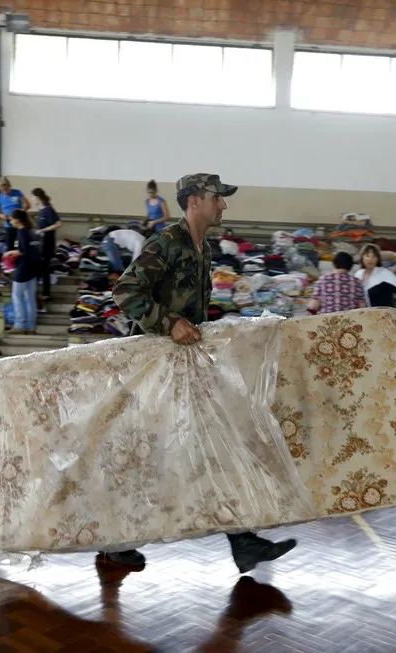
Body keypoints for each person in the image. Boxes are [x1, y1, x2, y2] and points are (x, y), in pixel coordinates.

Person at [111, 172, 297, 574]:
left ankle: (243, 541)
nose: (224, 204)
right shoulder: (165, 243)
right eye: (218, 197)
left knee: (215, 444)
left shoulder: (203, 249)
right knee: (150, 455)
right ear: (195, 200)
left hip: (185, 367)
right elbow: (126, 292)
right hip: (152, 368)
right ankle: (115, 541)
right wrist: (170, 323)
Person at [6, 210, 40, 335]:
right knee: (30, 298)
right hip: (33, 268)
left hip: (23, 268)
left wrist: (9, 253)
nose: (10, 221)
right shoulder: (32, 232)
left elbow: (23, 251)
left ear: (17, 220)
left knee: (17, 296)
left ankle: (20, 324)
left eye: (11, 219)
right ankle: (31, 326)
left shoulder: (21, 232)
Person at [354, 244, 396, 310]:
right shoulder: (358, 274)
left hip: (381, 315)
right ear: (362, 258)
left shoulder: (384, 273)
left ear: (378, 259)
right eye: (367, 256)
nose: (370, 259)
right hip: (363, 315)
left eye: (374, 256)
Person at [31, 188, 62, 301]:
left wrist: (43, 230)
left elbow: (58, 223)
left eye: (32, 197)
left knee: (44, 269)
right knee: (41, 269)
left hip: (47, 244)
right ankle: (42, 292)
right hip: (41, 243)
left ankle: (46, 293)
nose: (32, 199)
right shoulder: (41, 211)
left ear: (37, 197)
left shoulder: (48, 210)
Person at [0, 177, 30, 250]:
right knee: (10, 245)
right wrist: (1, 215)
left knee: (21, 243)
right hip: (8, 225)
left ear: (10, 186)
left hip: (19, 223)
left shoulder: (17, 193)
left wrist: (20, 212)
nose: (6, 192)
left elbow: (27, 205)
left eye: (7, 189)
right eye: (3, 191)